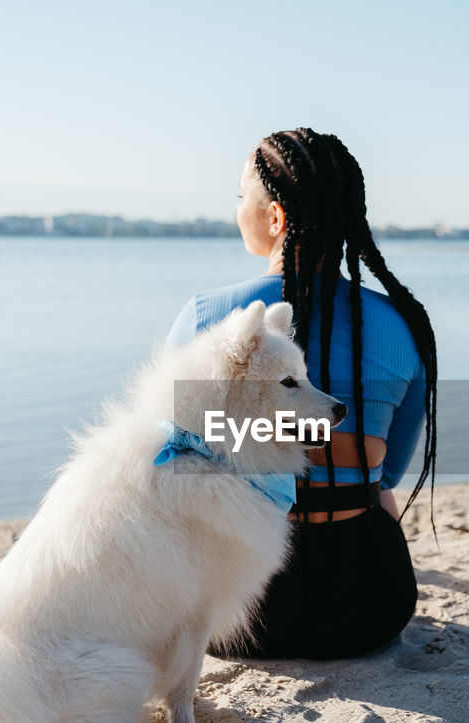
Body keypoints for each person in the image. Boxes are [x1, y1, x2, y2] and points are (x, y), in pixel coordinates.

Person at [165, 127, 438, 660]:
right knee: (370, 479)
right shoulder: (401, 326)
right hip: (372, 609)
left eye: (242, 195)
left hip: (240, 613)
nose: (238, 207)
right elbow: (390, 475)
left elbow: (176, 454)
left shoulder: (207, 318)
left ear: (275, 218)